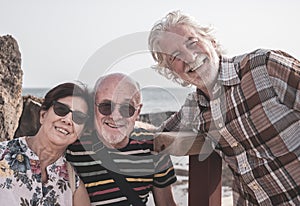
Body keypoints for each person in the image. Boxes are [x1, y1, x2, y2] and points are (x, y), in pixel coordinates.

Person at [148, 10, 300, 205]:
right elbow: (158, 136)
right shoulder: (194, 108)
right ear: (172, 72)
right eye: (175, 56)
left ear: (210, 40)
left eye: (192, 42)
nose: (189, 56)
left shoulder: (263, 66)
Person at [66, 73, 177, 206]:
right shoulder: (73, 148)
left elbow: (166, 203)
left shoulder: (153, 148)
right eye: (106, 106)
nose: (115, 116)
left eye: (126, 108)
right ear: (93, 107)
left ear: (138, 112)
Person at [0, 82, 91, 206]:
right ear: (43, 115)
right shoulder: (2, 154)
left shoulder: (74, 186)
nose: (68, 120)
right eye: (61, 109)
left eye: (79, 117)